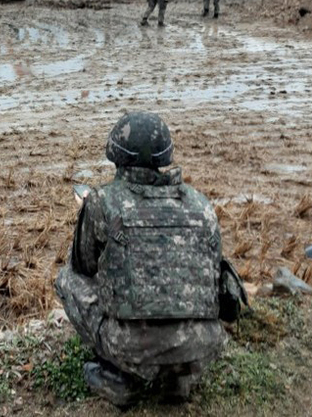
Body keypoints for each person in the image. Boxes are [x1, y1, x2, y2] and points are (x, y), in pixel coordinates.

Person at [55, 112, 247, 406]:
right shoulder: (202, 205)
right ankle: (178, 379)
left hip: (131, 347)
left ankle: (119, 376)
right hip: (203, 344)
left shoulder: (102, 202)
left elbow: (84, 266)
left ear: (116, 154)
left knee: (67, 280)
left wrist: (87, 214)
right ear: (165, 155)